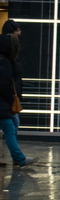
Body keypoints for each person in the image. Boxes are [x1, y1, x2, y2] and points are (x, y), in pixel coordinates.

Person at [0, 34, 38, 167]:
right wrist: (11, 99)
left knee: (10, 129)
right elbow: (5, 85)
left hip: (2, 105)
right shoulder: (5, 62)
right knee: (10, 130)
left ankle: (19, 158)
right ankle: (19, 159)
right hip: (3, 105)